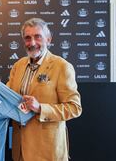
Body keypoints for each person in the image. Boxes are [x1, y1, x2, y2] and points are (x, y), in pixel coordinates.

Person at [7, 18, 82, 161]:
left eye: (38, 37)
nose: (32, 43)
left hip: (47, 151)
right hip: (20, 150)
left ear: (48, 39)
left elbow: (74, 108)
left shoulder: (62, 66)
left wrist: (40, 108)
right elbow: (8, 97)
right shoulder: (18, 66)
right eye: (28, 38)